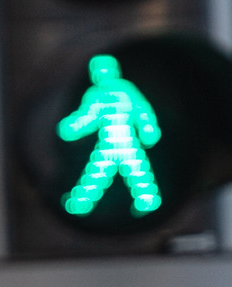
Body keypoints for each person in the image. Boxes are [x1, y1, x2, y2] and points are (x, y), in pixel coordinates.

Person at [56, 54, 163, 216]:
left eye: (106, 70)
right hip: (107, 144)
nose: (103, 74)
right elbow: (88, 117)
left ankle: (147, 203)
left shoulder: (126, 89)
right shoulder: (95, 94)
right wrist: (72, 127)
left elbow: (142, 111)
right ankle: (79, 204)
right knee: (96, 175)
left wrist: (148, 128)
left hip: (128, 143)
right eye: (100, 71)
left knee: (138, 174)